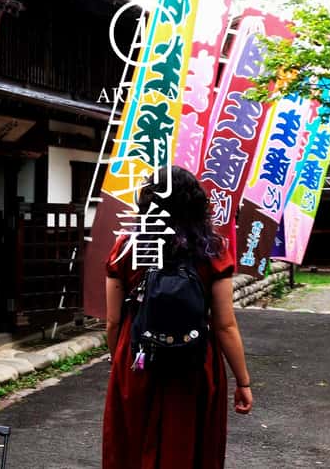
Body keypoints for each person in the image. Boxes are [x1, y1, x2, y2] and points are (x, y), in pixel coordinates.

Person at [102, 166, 254, 469]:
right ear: (196, 204)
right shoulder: (212, 249)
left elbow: (113, 321)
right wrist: (243, 381)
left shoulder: (127, 247)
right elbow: (225, 324)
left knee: (132, 442)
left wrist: (119, 360)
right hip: (194, 360)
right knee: (190, 444)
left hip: (139, 359)